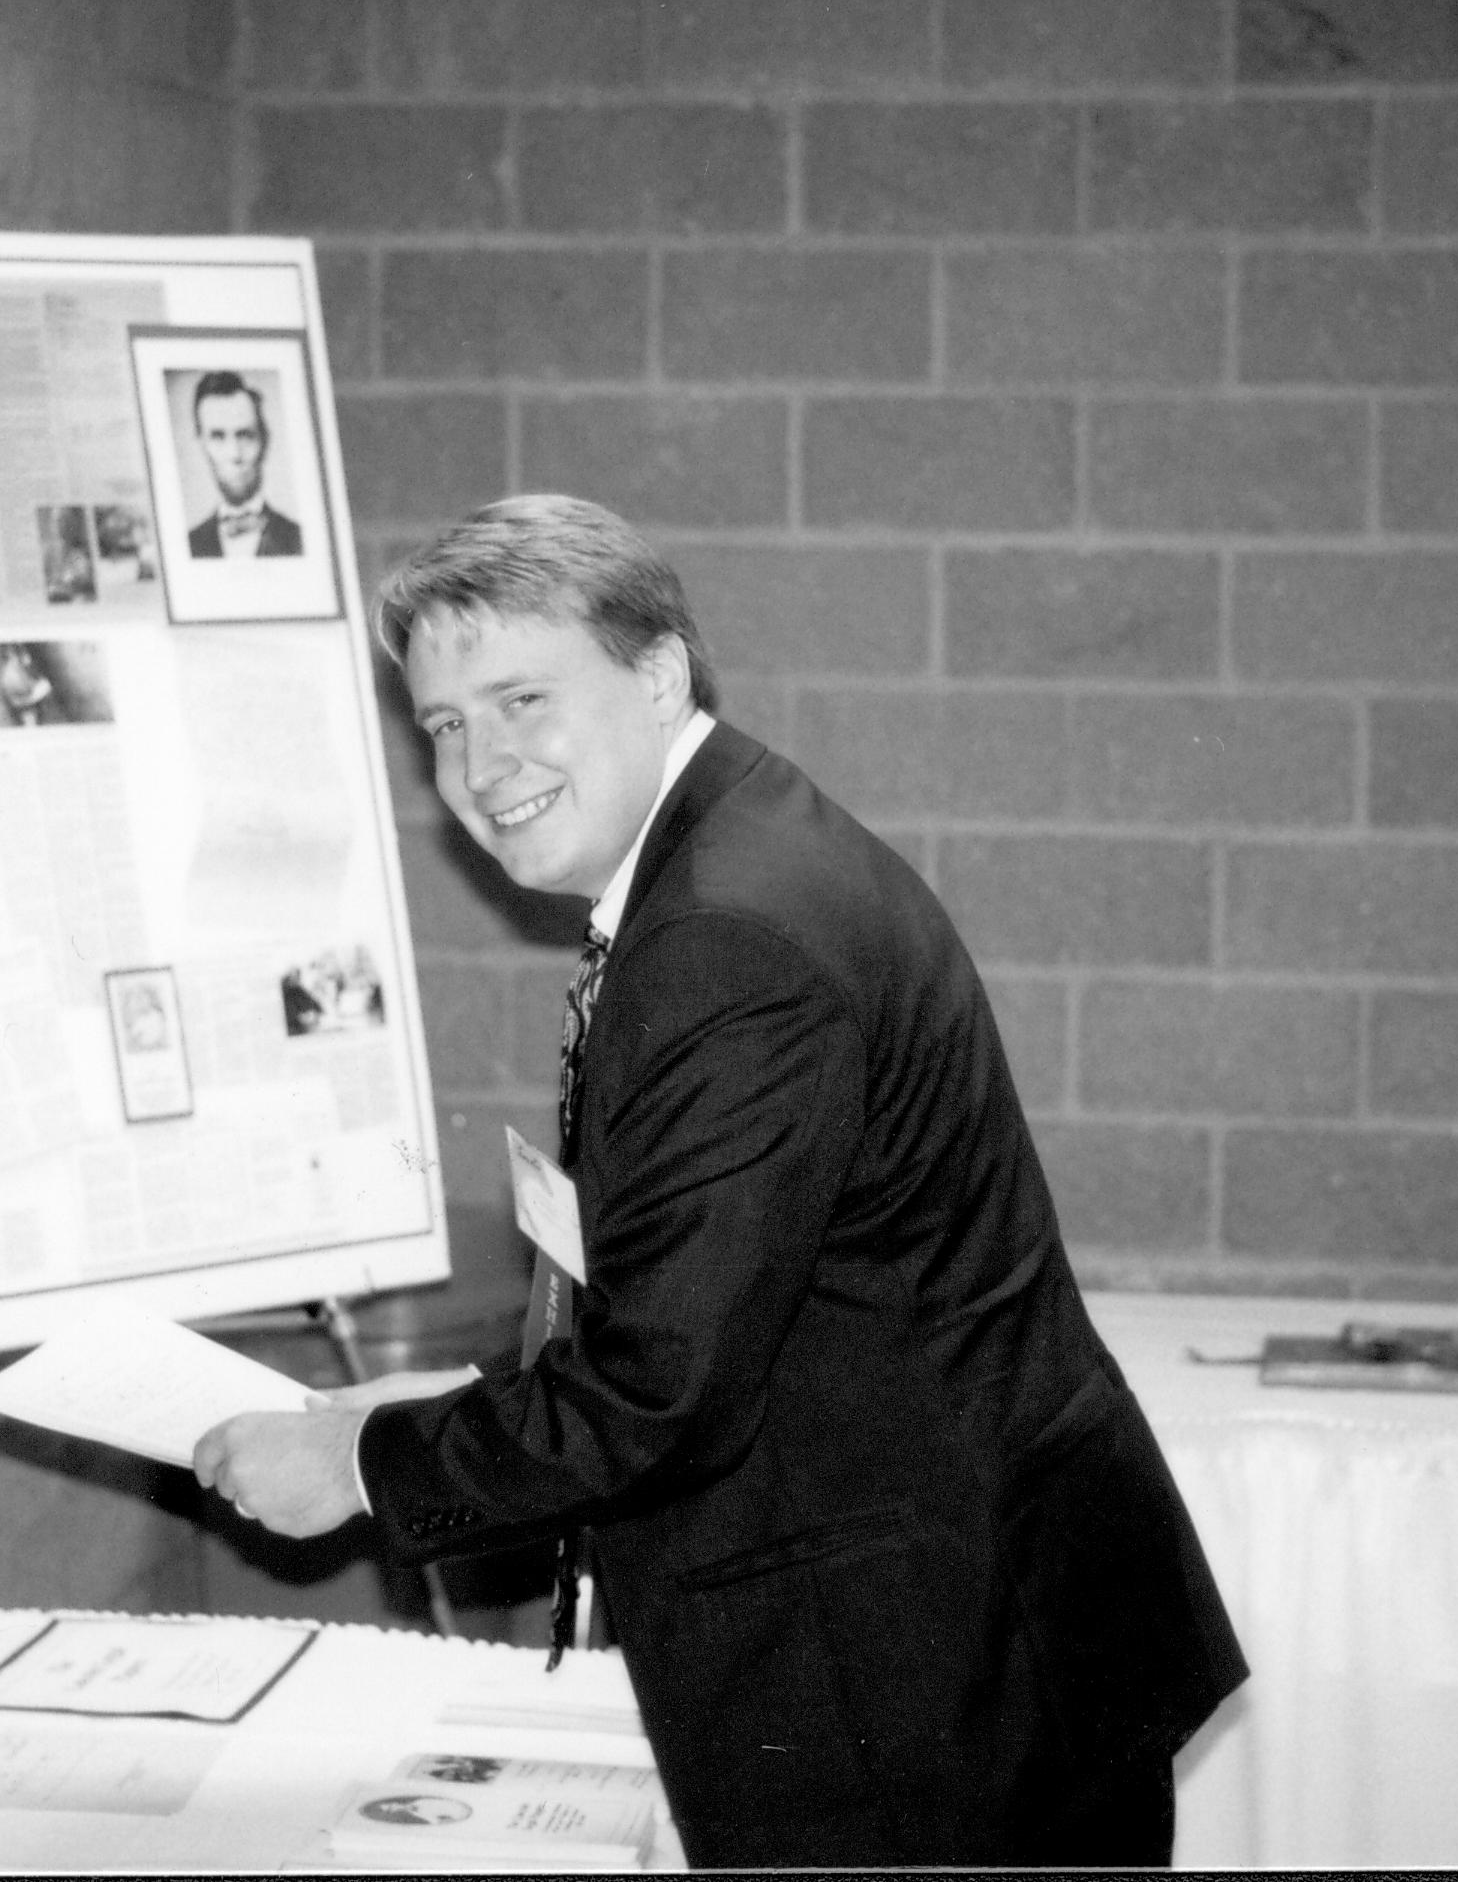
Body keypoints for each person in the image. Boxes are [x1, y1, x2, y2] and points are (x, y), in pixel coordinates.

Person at [194, 495, 1245, 1867]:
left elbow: (656, 1394)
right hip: (960, 1639)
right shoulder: (731, 847)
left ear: (656, 674)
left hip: (934, 1686)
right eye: (446, 725)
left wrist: (359, 1463)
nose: (479, 762)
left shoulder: (723, 941)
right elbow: (714, 1307)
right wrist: (445, 1407)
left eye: (520, 697)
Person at [180, 371, 303, 559]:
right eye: (218, 437)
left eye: (245, 435)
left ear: (265, 441)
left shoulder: (299, 539)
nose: (235, 454)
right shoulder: (186, 546)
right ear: (201, 445)